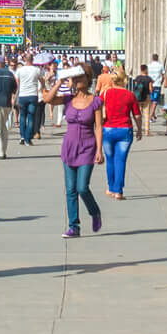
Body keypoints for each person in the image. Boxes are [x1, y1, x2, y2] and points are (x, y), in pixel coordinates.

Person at [59, 60, 106, 237]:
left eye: (81, 77)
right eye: (75, 77)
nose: (77, 80)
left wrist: (99, 150)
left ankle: (94, 212)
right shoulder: (68, 99)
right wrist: (60, 80)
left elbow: (99, 126)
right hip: (69, 147)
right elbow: (47, 98)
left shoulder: (95, 101)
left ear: (88, 79)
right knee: (70, 189)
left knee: (82, 187)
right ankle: (74, 226)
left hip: (87, 147)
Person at [101, 67, 140, 200]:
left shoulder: (105, 94)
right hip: (124, 130)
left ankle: (111, 188)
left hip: (108, 129)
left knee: (110, 159)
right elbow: (137, 115)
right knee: (121, 160)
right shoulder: (130, 95)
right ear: (124, 79)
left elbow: (98, 110)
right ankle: (118, 191)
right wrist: (140, 129)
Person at [13, 56, 43, 145]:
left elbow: (17, 82)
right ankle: (27, 138)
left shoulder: (20, 70)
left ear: (25, 60)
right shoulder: (36, 70)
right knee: (31, 117)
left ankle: (22, 136)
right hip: (33, 95)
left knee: (22, 116)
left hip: (23, 95)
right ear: (32, 60)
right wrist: (43, 87)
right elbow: (42, 80)